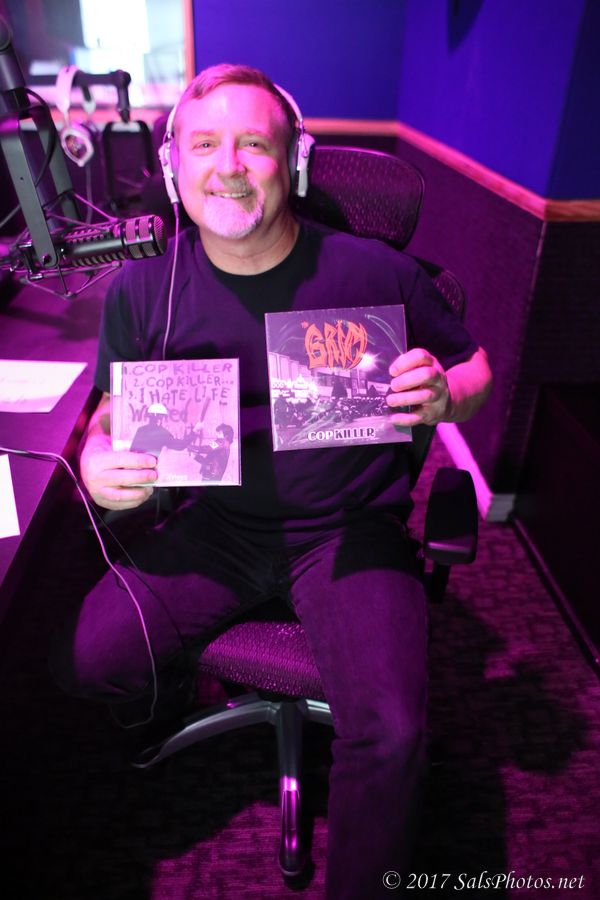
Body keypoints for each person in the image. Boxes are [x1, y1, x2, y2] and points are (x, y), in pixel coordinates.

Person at [51, 64, 492, 899]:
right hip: (215, 526)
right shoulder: (144, 290)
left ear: (293, 163)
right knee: (85, 658)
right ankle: (175, 693)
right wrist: (99, 460)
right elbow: (109, 414)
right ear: (173, 167)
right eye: (204, 146)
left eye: (254, 144)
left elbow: (474, 368)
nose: (229, 166)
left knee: (393, 734)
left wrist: (448, 395)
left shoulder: (374, 273)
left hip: (348, 531)